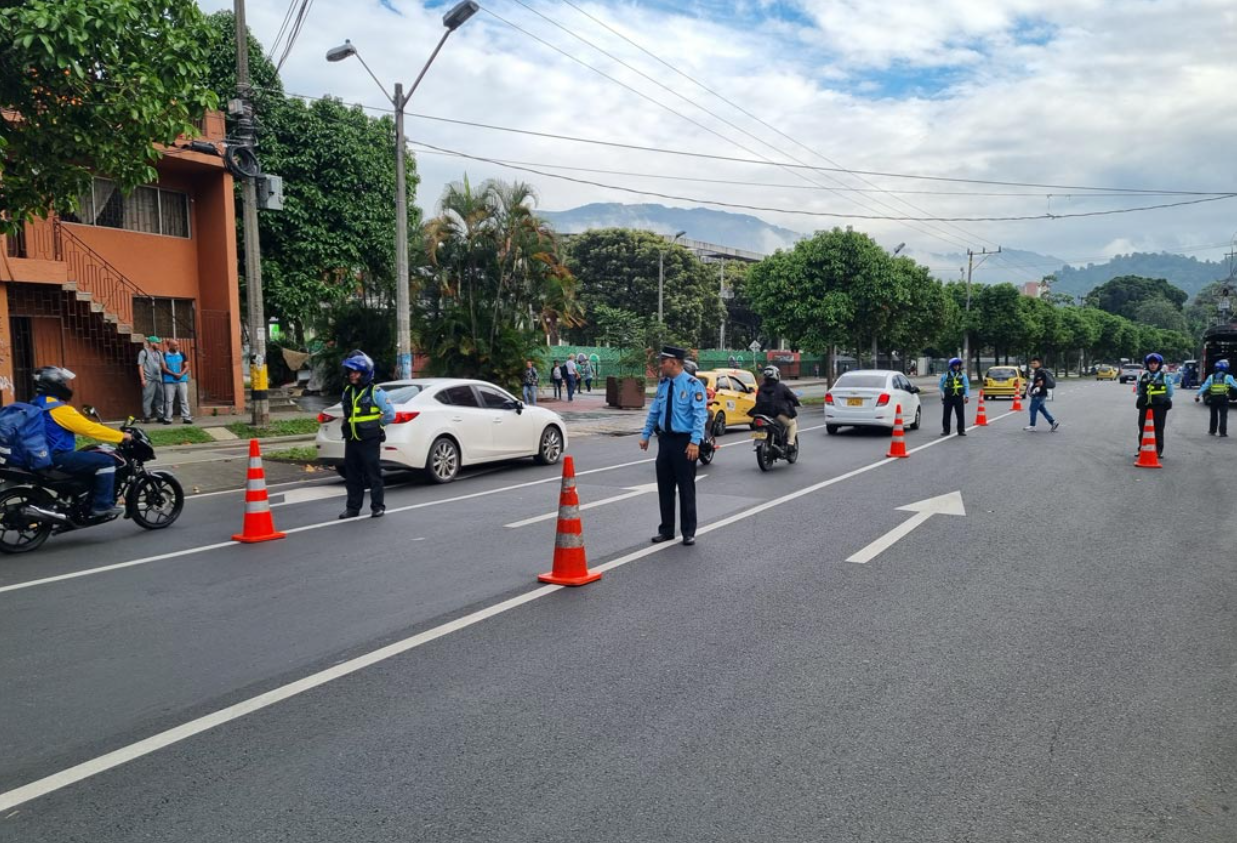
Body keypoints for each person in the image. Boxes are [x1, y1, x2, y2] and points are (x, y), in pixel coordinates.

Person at [32, 367, 132, 519]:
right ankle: (102, 505)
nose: (66, 386)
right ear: (55, 385)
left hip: (39, 456)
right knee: (106, 462)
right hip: (57, 457)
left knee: (87, 457)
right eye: (63, 383)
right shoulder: (59, 409)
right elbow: (89, 429)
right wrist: (121, 436)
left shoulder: (36, 403)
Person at [640, 345, 708, 546]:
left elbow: (699, 416)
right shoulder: (663, 384)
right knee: (665, 486)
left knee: (686, 487)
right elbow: (655, 411)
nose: (661, 365)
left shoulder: (693, 384)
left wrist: (695, 441)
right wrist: (645, 435)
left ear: (674, 362)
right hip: (666, 441)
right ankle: (667, 529)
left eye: (663, 361)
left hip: (685, 441)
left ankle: (688, 531)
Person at [338, 351, 395, 519]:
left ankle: (377, 507)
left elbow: (390, 414)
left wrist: (377, 426)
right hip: (352, 440)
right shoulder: (347, 391)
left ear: (365, 373)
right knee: (352, 476)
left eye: (355, 372)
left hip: (369, 440)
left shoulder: (376, 392)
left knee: (373, 474)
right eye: (350, 372)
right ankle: (352, 508)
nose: (352, 375)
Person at [750, 365, 801, 448]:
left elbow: (757, 399)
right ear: (776, 375)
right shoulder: (782, 387)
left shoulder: (761, 388)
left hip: (761, 414)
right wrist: (797, 403)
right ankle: (790, 444)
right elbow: (792, 397)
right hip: (776, 414)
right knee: (792, 423)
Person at [1136, 352, 1174, 458]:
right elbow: (1139, 391)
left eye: (1155, 363)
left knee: (1158, 429)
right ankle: (1141, 449)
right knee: (1142, 428)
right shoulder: (1142, 376)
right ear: (1147, 364)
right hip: (1145, 406)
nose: (1153, 365)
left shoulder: (1165, 377)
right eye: (1150, 363)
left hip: (1159, 407)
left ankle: (1158, 451)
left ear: (1159, 364)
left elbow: (1170, 393)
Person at [1195, 359, 1237, 437]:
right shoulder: (1228, 377)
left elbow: (1204, 387)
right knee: (1223, 416)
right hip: (1223, 399)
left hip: (1213, 398)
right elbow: (1235, 386)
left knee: (1213, 415)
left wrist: (1197, 395)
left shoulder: (1211, 377)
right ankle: (1222, 433)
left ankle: (1212, 431)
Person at [1023, 356, 1060, 432]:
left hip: (1039, 394)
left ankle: (1032, 425)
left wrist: (1032, 386)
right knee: (1042, 409)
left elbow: (1040, 383)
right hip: (1042, 393)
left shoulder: (1040, 371)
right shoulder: (1038, 371)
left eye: (1035, 363)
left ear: (1039, 363)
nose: (1033, 364)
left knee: (1032, 409)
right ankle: (1053, 422)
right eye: (1032, 363)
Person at [161, 339, 192, 424]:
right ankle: (168, 418)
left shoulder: (182, 354)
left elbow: (187, 366)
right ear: (169, 346)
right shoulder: (164, 355)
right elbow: (164, 368)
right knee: (169, 401)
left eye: (177, 345)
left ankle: (187, 418)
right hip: (169, 381)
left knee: (184, 399)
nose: (177, 346)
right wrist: (175, 374)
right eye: (174, 345)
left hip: (182, 380)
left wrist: (181, 374)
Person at [938, 357, 970, 437]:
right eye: (955, 365)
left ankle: (961, 430)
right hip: (948, 397)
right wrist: (943, 395)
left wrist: (967, 396)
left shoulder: (963, 375)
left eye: (958, 365)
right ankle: (946, 430)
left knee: (960, 414)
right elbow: (941, 386)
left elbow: (966, 386)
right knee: (946, 414)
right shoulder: (946, 375)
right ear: (951, 366)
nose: (957, 367)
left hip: (958, 397)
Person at [137, 336, 165, 424]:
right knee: (148, 398)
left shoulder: (159, 353)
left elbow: (163, 364)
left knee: (160, 397)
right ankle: (147, 416)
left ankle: (160, 416)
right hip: (148, 379)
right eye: (157, 343)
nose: (158, 344)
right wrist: (143, 379)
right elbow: (140, 366)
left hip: (158, 379)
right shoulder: (144, 352)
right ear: (152, 343)